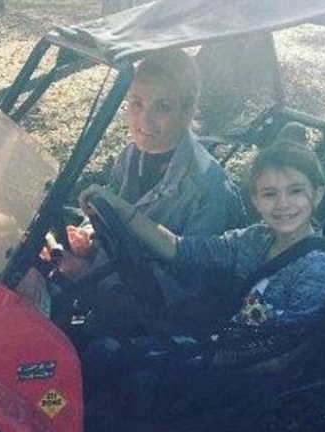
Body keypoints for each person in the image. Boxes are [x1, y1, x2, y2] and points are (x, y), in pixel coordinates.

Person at [79, 135, 325, 426]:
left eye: (295, 191)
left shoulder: (316, 268)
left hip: (247, 379)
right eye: (270, 194)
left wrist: (203, 354)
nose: (283, 204)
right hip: (218, 344)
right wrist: (120, 207)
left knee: (131, 366)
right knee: (104, 349)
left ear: (317, 195)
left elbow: (282, 357)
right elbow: (179, 248)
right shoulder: (256, 238)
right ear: (255, 200)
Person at [55, 49, 242, 310]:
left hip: (154, 316)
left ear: (187, 111)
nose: (144, 121)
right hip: (108, 280)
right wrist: (87, 234)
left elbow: (185, 288)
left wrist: (89, 278)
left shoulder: (207, 192)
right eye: (136, 103)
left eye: (162, 107)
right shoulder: (130, 155)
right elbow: (110, 206)